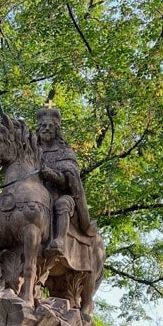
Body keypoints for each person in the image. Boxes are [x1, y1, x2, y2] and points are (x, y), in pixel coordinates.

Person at [35, 106, 97, 252]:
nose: (46, 128)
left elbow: (69, 179)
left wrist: (51, 174)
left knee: (63, 204)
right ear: (38, 129)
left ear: (56, 130)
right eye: (43, 126)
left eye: (50, 126)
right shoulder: (32, 151)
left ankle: (60, 241)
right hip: (34, 192)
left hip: (58, 193)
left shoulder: (64, 151)